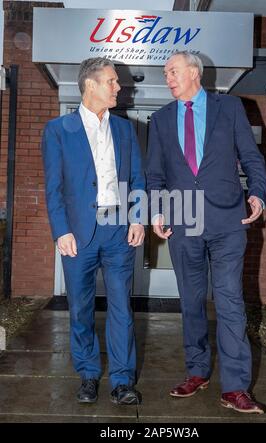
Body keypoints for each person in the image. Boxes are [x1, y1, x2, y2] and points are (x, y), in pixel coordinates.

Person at [146, 51, 266, 414]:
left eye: (173, 71)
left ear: (194, 72)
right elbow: (155, 174)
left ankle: (235, 387)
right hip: (184, 220)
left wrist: (258, 193)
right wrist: (156, 209)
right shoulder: (161, 119)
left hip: (229, 220)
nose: (167, 77)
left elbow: (252, 157)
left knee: (230, 300)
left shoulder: (229, 108)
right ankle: (197, 370)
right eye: (165, 72)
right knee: (192, 301)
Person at [42, 57, 145, 405]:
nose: (119, 87)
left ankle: (122, 381)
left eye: (117, 82)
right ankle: (88, 374)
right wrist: (61, 231)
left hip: (117, 230)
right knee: (80, 309)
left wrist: (137, 217)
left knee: (121, 308)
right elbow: (53, 186)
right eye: (112, 81)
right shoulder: (58, 129)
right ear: (90, 85)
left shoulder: (125, 129)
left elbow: (138, 179)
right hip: (78, 234)